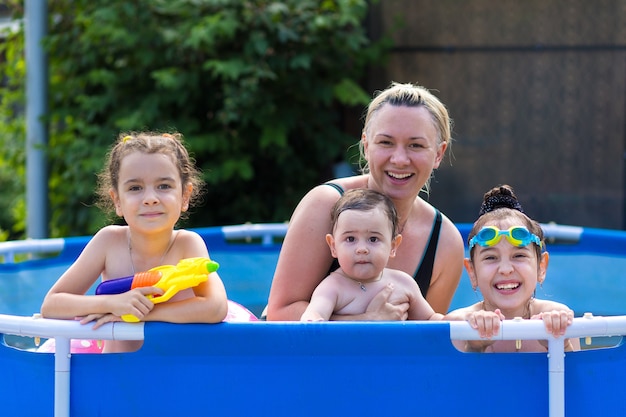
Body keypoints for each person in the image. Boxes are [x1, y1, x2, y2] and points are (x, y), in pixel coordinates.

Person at [267, 82, 464, 321]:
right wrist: (366, 322)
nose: (400, 159)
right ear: (366, 145)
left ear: (439, 154)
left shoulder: (445, 242)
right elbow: (279, 315)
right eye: (386, 142)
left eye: (416, 145)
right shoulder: (325, 205)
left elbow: (426, 341)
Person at [41, 132, 228, 352]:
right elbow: (51, 305)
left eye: (164, 186)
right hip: (116, 372)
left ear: (185, 196)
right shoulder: (108, 242)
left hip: (173, 373)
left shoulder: (187, 245)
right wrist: (112, 304)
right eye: (135, 188)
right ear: (117, 200)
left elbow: (215, 307)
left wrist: (140, 314)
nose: (150, 198)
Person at [445, 185, 580, 353]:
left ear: (541, 267)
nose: (506, 269)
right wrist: (473, 348)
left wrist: (561, 344)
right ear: (472, 272)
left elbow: (579, 379)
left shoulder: (560, 319)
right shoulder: (458, 326)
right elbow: (448, 379)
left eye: (519, 256)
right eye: (491, 258)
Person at [300, 189, 443, 322]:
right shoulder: (333, 287)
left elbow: (431, 320)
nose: (362, 249)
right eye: (350, 239)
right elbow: (315, 316)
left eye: (373, 239)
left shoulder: (404, 283)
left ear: (393, 246)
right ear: (333, 246)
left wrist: (456, 320)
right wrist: (312, 318)